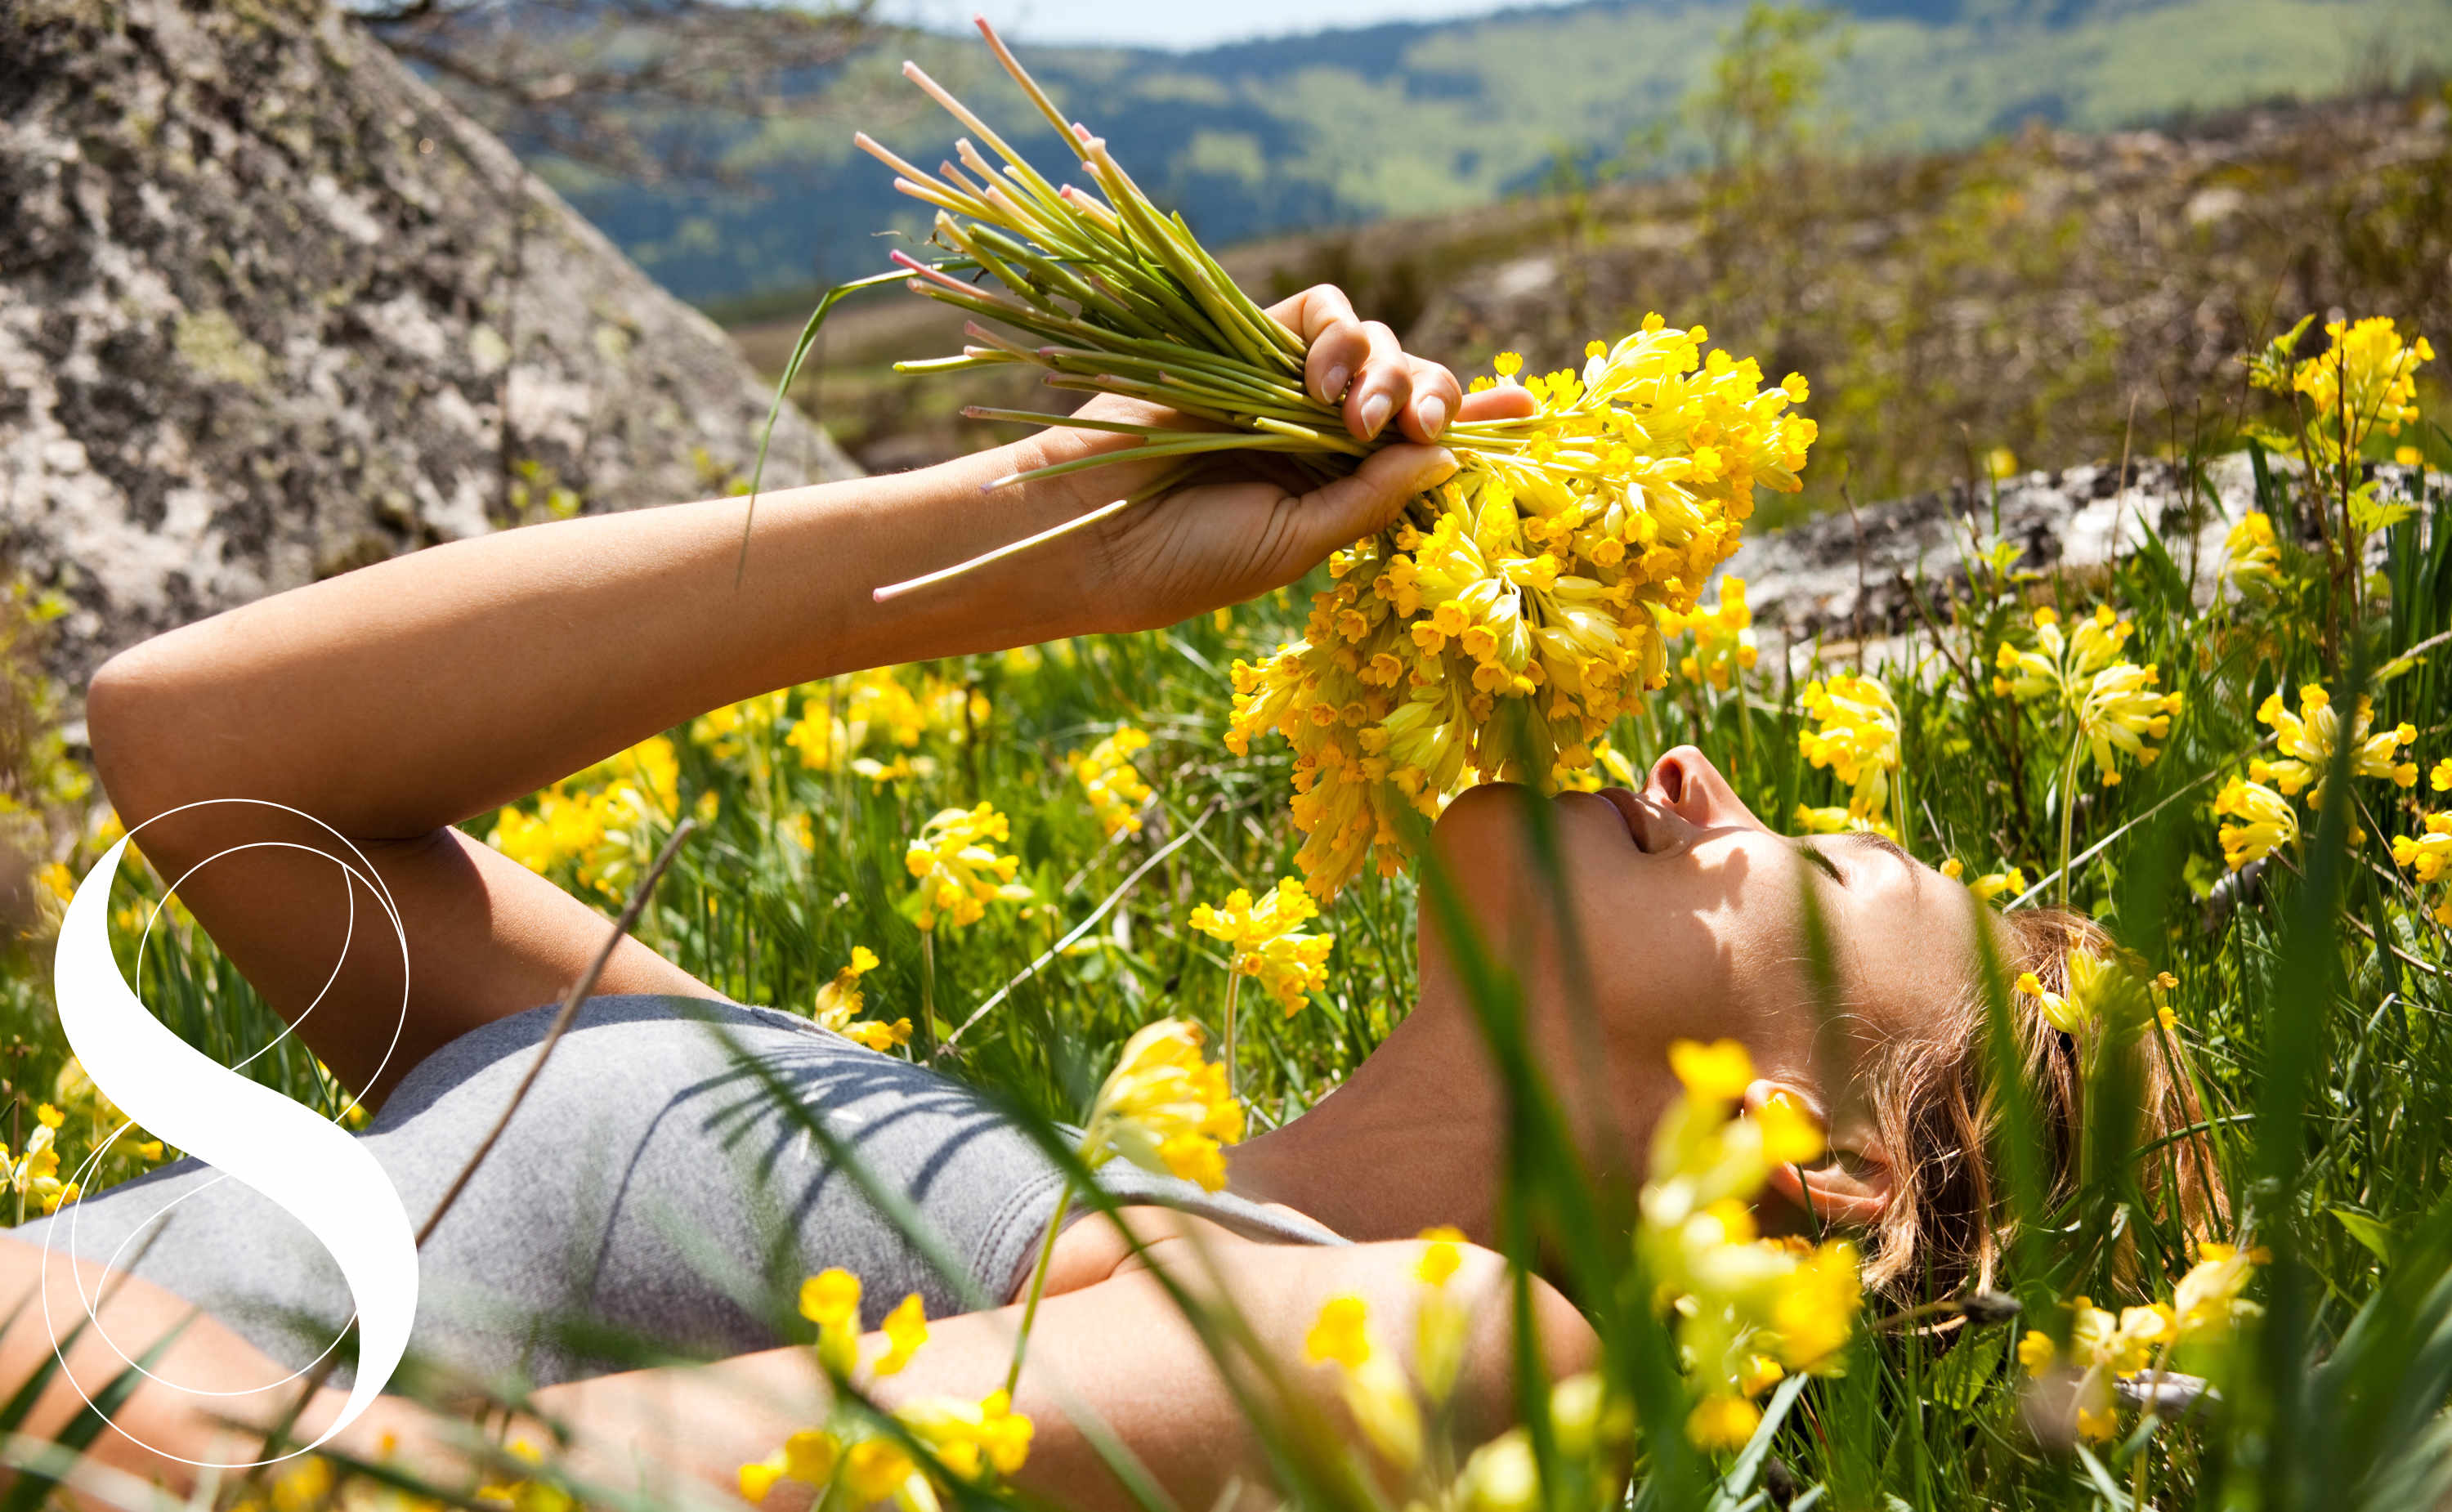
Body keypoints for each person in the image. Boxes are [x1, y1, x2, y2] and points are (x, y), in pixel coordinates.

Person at [3, 285, 2199, 1512]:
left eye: (1790, 865)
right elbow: (208, 764)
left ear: (1815, 1175)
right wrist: (1045, 528)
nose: (1697, 775)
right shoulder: (991, 1173)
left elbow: (358, 1493)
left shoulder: (1443, 1330)